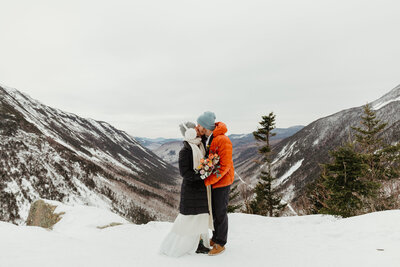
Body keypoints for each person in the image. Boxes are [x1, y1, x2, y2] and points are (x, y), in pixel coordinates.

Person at [159, 121, 213, 257]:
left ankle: (200, 243)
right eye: (194, 128)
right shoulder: (186, 150)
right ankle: (177, 246)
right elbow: (185, 173)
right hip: (191, 190)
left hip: (201, 189)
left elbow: (208, 135)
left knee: (201, 217)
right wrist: (201, 175)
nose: (197, 129)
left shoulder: (200, 144)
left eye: (197, 127)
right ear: (189, 132)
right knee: (188, 219)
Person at [196, 111, 235, 256]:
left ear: (205, 126)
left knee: (220, 212)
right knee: (213, 211)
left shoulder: (222, 140)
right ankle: (215, 237)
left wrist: (208, 181)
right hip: (214, 182)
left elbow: (224, 167)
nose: (197, 127)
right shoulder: (209, 138)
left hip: (222, 183)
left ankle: (221, 243)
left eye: (199, 124)